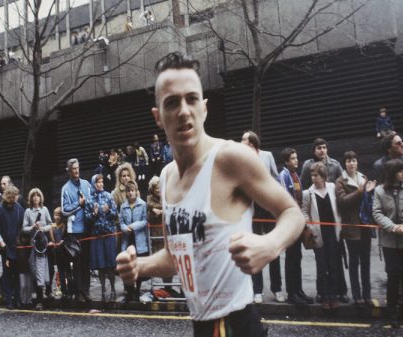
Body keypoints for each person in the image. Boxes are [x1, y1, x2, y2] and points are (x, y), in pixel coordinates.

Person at [116, 52, 304, 336]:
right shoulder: (166, 177)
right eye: (171, 102)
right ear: (158, 117)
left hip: (236, 324)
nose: (183, 111)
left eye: (191, 99)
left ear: (204, 108)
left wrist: (270, 245)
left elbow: (292, 213)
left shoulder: (230, 158)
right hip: (201, 326)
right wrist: (138, 266)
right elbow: (174, 256)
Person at [299, 138, 348, 302]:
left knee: (335, 263)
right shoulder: (307, 168)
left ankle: (337, 292)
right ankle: (323, 293)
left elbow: (343, 188)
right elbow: (304, 206)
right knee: (322, 264)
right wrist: (310, 227)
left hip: (333, 230)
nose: (322, 150)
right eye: (319, 148)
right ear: (314, 150)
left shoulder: (334, 168)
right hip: (317, 230)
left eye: (324, 147)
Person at [241, 130, 283, 303]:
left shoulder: (267, 156)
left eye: (243, 139)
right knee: (255, 248)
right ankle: (257, 289)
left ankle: (277, 288)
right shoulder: (241, 158)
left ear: (251, 142)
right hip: (253, 209)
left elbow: (276, 178)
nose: (241, 141)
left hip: (268, 207)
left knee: (273, 247)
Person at [372, 159, 403, 329]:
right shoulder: (380, 191)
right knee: (393, 277)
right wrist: (393, 227)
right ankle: (392, 313)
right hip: (389, 243)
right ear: (393, 172)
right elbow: (377, 212)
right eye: (401, 170)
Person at [335, 151, 375, 307]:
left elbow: (369, 202)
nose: (351, 163)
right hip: (351, 227)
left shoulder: (363, 178)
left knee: (366, 262)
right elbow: (343, 201)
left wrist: (369, 192)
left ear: (357, 162)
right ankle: (357, 295)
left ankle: (367, 295)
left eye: (354, 160)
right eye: (348, 161)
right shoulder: (341, 181)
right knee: (354, 262)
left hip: (365, 225)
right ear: (345, 164)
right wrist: (359, 192)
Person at [278, 148, 313, 305]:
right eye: (292, 158)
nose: (296, 161)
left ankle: (299, 290)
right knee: (291, 258)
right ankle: (292, 293)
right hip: (290, 223)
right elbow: (286, 199)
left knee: (297, 257)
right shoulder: (284, 176)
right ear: (286, 161)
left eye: (296, 158)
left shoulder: (295, 175)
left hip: (298, 222)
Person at [61, 158, 92, 303]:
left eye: (78, 168)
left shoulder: (86, 184)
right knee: (77, 263)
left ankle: (86, 290)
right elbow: (64, 210)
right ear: (69, 171)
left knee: (87, 262)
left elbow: (91, 201)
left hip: (88, 228)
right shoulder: (65, 188)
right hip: (75, 231)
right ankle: (79, 292)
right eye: (74, 168)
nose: (77, 171)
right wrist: (78, 204)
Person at [85, 174, 118, 302]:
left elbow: (116, 215)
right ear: (94, 184)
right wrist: (94, 214)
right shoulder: (89, 200)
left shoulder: (109, 196)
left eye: (102, 181)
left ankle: (113, 289)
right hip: (97, 236)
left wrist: (109, 210)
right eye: (98, 182)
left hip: (108, 234)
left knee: (111, 264)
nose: (101, 184)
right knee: (101, 265)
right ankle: (103, 290)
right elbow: (86, 219)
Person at [0, 186, 24, 309]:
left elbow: (22, 224)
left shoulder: (18, 208)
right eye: (16, 195)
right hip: (5, 248)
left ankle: (18, 299)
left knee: (17, 273)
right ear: (10, 196)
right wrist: (1, 242)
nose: (17, 197)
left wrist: (20, 237)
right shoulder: (0, 209)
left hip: (16, 246)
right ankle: (9, 300)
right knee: (7, 273)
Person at [119, 180, 149, 303]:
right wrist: (125, 228)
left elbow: (144, 221)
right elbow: (121, 222)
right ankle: (129, 292)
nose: (131, 193)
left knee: (138, 266)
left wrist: (133, 226)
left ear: (136, 191)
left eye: (133, 190)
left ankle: (137, 291)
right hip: (128, 239)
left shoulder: (142, 204)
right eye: (129, 191)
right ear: (126, 193)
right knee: (128, 266)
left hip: (139, 240)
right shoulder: (123, 206)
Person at [23, 188, 52, 310]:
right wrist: (33, 227)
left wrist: (43, 229)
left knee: (47, 270)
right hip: (34, 246)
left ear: (40, 198)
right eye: (33, 196)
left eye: (37, 196)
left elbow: (51, 224)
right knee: (37, 271)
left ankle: (48, 294)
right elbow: (24, 228)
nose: (35, 198)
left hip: (44, 245)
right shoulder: (28, 212)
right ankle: (39, 300)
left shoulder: (44, 210)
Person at [50, 207, 69, 299]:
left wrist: (62, 242)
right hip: (56, 251)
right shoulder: (52, 226)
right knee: (60, 271)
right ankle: (63, 290)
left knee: (67, 272)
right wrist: (53, 243)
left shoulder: (64, 226)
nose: (57, 217)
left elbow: (65, 237)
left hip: (64, 251)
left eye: (58, 215)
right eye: (55, 215)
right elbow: (52, 239)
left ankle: (68, 290)